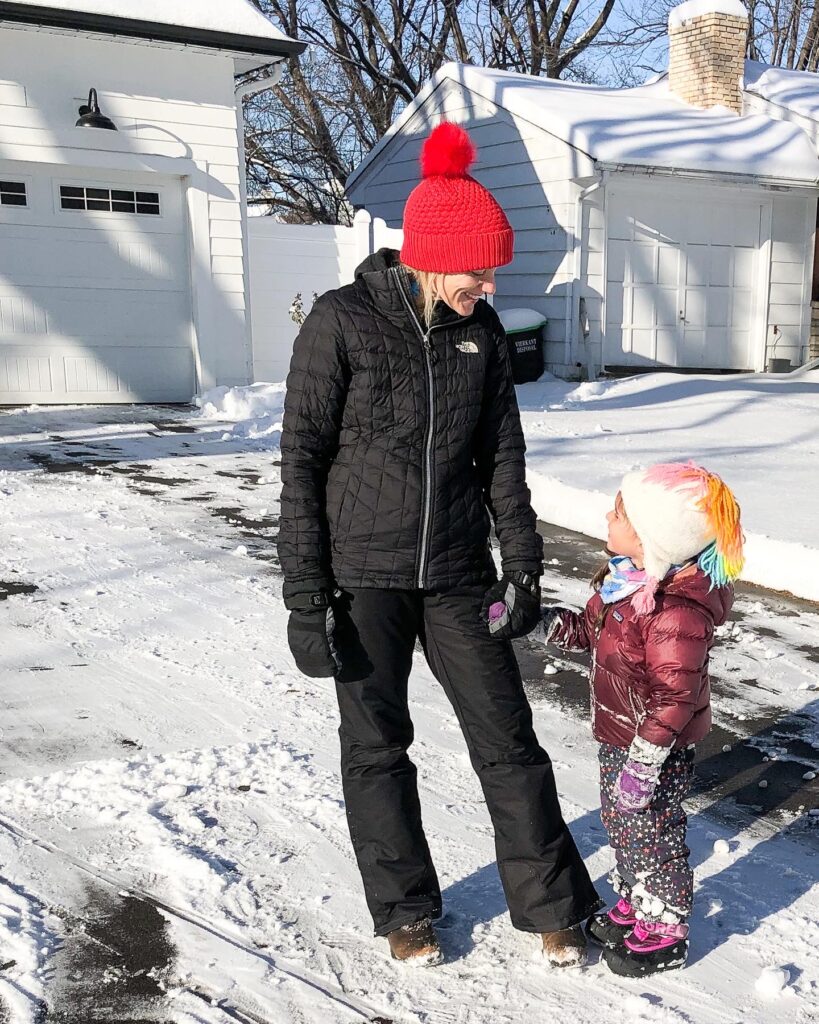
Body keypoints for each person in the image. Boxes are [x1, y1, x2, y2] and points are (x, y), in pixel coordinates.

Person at [279, 122, 601, 967]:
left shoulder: (482, 332)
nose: (487, 284)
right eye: (475, 268)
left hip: (459, 568)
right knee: (377, 750)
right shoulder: (342, 322)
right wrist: (306, 594)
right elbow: (302, 460)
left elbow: (502, 457)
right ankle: (404, 912)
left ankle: (550, 907)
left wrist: (523, 566)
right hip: (361, 576)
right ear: (427, 257)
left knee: (508, 740)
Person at [541, 462, 744, 977]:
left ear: (653, 536)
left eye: (619, 512)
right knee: (623, 823)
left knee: (653, 828)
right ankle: (638, 897)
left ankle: (667, 923)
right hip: (621, 736)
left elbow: (676, 696)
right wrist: (537, 622)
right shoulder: (626, 585)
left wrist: (646, 761)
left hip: (655, 748)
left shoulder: (674, 611)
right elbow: (590, 633)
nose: (607, 516)